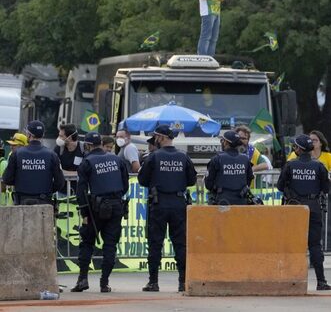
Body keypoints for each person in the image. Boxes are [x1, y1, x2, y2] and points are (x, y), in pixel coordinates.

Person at [138, 125, 197, 292]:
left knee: (155, 243)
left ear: (161, 137)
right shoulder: (183, 156)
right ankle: (182, 282)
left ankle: (153, 282)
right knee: (180, 243)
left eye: (155, 136)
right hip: (179, 203)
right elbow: (191, 180)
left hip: (159, 204)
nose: (154, 139)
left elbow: (142, 180)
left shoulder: (154, 157)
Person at [71, 132, 129, 293]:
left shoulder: (87, 162)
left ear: (88, 145)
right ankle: (104, 283)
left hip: (95, 208)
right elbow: (125, 186)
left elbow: (81, 190)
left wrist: (84, 212)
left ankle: (83, 279)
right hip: (117, 205)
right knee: (110, 245)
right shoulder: (117, 160)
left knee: (87, 242)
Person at [277, 134, 331, 291]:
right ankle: (321, 281)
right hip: (313, 207)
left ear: (299, 149)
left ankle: (290, 280)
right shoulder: (319, 165)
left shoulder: (289, 165)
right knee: (315, 244)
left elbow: (280, 186)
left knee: (292, 244)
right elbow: (326, 188)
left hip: (294, 208)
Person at [2, 120, 65, 205]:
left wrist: (20, 182)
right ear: (42, 135)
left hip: (22, 202)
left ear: (29, 135)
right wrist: (47, 190)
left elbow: (7, 179)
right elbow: (60, 182)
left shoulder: (16, 154)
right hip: (44, 202)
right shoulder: (52, 155)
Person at [205, 131, 253, 205]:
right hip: (241, 201)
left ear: (226, 142)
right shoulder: (245, 159)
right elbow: (249, 179)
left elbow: (208, 184)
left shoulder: (217, 159)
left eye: (223, 140)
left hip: (222, 201)